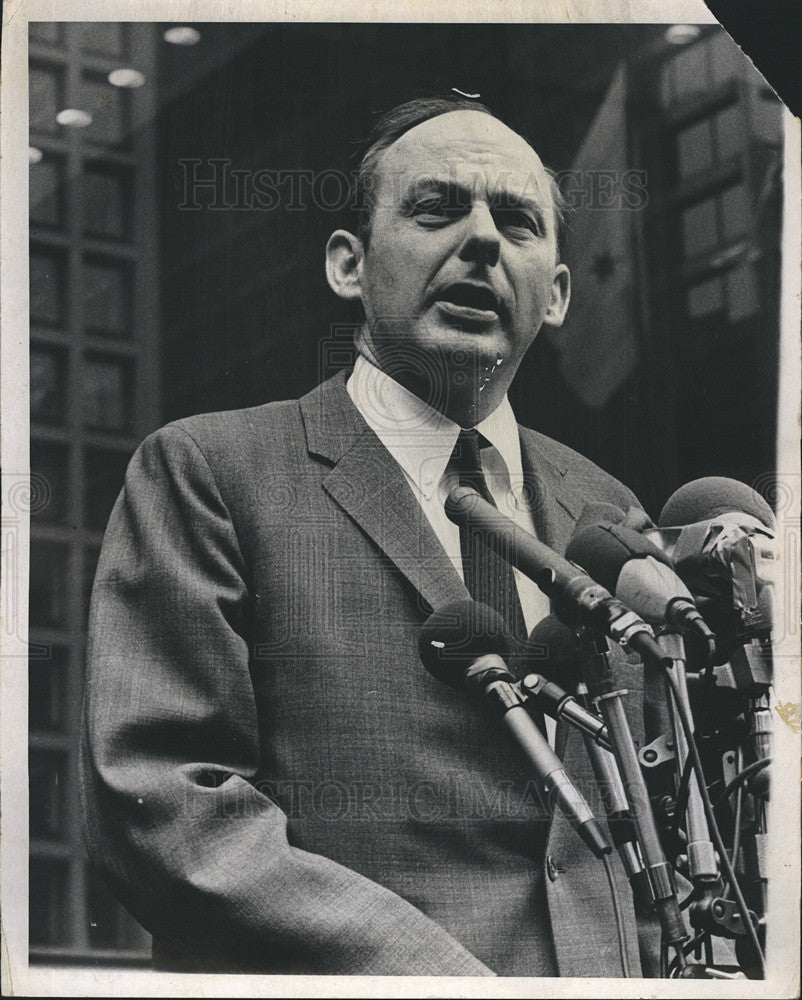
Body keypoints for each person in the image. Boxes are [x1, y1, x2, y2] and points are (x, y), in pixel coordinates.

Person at [80, 95, 660, 977]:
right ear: (348, 264)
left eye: (517, 221)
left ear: (560, 294)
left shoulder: (608, 508)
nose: (482, 243)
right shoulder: (212, 472)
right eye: (436, 209)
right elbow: (165, 799)